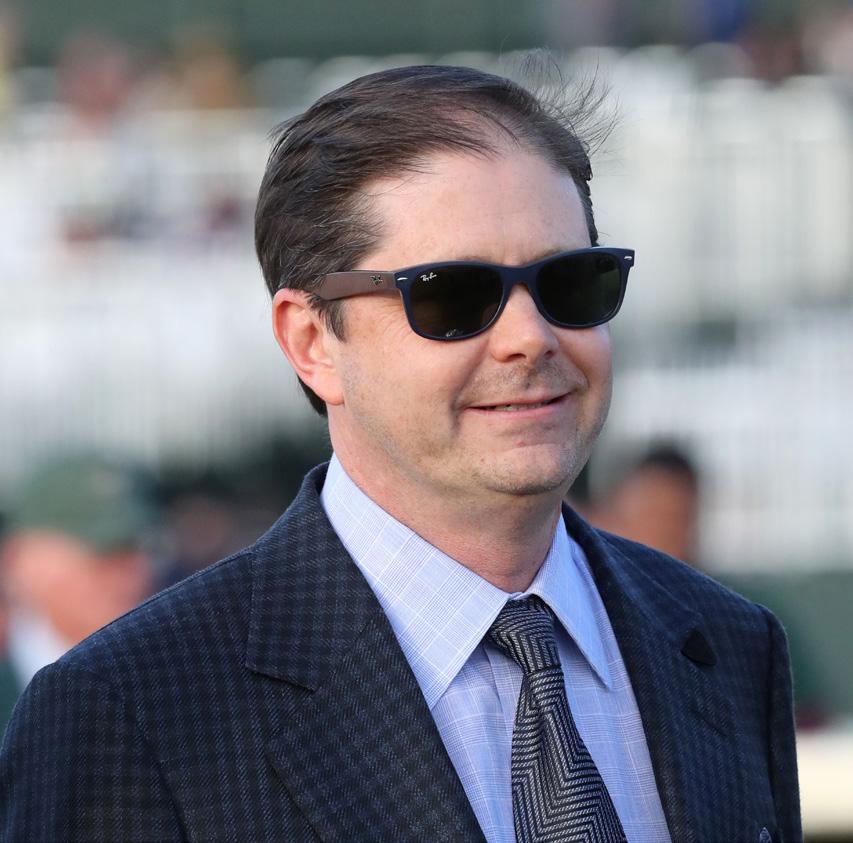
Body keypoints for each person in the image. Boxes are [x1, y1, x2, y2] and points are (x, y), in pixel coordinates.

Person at [0, 65, 800, 843]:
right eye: (453, 295)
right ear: (311, 341)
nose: (529, 337)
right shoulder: (130, 711)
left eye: (569, 282)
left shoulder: (730, 646)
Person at [0, 455, 156, 732]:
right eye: (101, 552)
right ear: (19, 558)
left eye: (133, 549)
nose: (127, 571)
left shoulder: (178, 683)